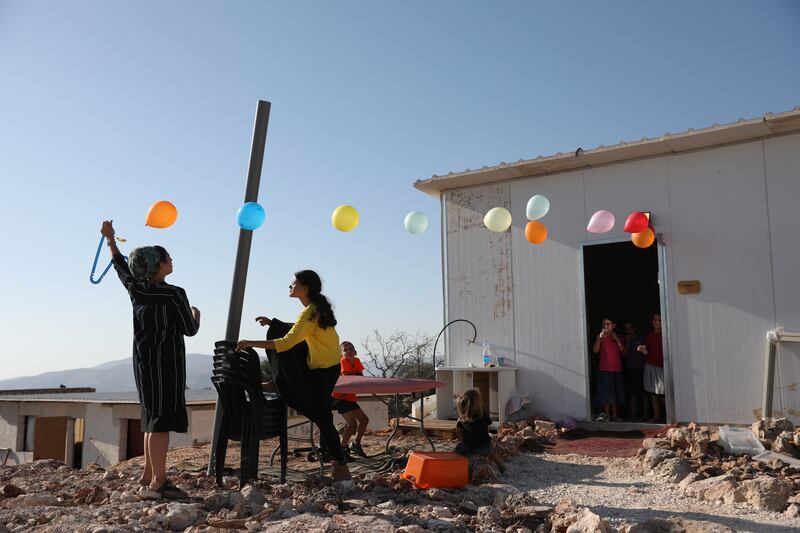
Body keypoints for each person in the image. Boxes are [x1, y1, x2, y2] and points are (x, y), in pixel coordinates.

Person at [101, 220, 200, 499]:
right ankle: (159, 481)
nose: (171, 261)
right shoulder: (174, 294)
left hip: (143, 362)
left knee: (150, 418)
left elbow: (120, 263)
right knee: (160, 423)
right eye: (168, 259)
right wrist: (196, 316)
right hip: (166, 364)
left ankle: (147, 474)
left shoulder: (135, 287)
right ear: (159, 266)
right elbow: (189, 330)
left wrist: (110, 239)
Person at [236, 270, 351, 481]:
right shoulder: (313, 309)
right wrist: (274, 324)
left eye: (294, 283)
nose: (290, 285)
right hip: (325, 369)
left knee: (322, 417)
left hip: (323, 373)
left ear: (305, 287)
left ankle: (341, 467)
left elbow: (288, 341)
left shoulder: (310, 311)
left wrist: (251, 343)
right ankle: (340, 465)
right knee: (322, 417)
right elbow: (300, 329)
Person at [331, 341, 370, 458]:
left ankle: (356, 444)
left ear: (355, 352)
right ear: (341, 354)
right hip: (340, 397)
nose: (348, 351)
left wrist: (356, 377)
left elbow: (360, 378)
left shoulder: (357, 361)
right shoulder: (343, 361)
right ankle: (342, 450)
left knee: (364, 420)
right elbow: (348, 378)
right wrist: (356, 376)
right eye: (345, 350)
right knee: (352, 424)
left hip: (350, 397)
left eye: (350, 349)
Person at [454, 389, 505, 472]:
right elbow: (487, 429)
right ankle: (502, 466)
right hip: (485, 445)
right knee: (492, 453)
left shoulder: (462, 421)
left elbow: (459, 433)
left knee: (456, 451)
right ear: (477, 403)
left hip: (470, 447)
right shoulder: (483, 415)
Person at [592, 318, 625, 422]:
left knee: (615, 393)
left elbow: (623, 351)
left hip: (616, 369)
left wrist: (617, 340)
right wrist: (599, 338)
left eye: (608, 324)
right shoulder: (600, 337)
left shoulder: (617, 337)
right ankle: (607, 415)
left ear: (613, 325)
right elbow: (595, 350)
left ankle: (614, 415)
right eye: (604, 324)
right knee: (606, 394)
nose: (605, 326)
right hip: (605, 368)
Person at [638, 313, 665, 423]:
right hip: (651, 366)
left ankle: (670, 416)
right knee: (654, 393)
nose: (657, 322)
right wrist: (642, 349)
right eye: (655, 320)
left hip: (663, 367)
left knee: (663, 393)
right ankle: (656, 416)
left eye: (659, 320)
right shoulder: (649, 335)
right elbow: (646, 351)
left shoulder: (665, 334)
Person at [622, 321, 648, 421]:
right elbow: (624, 354)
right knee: (632, 393)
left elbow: (646, 352)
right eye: (627, 329)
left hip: (641, 367)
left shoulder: (641, 338)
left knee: (643, 392)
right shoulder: (625, 339)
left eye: (630, 329)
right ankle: (633, 415)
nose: (629, 331)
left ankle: (645, 414)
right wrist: (628, 342)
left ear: (634, 328)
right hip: (630, 368)